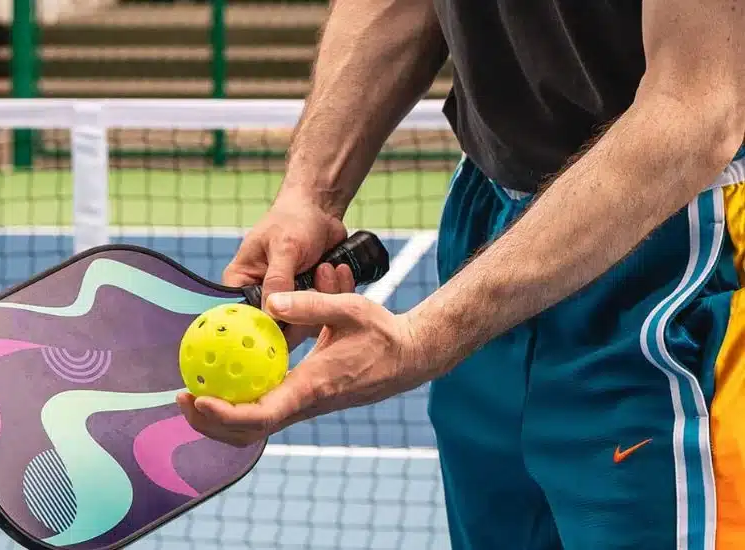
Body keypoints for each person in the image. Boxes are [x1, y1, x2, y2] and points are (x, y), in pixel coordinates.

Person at [177, 0, 745, 547]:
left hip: (683, 237)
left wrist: (426, 337)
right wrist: (312, 193)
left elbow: (697, 104)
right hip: (489, 213)